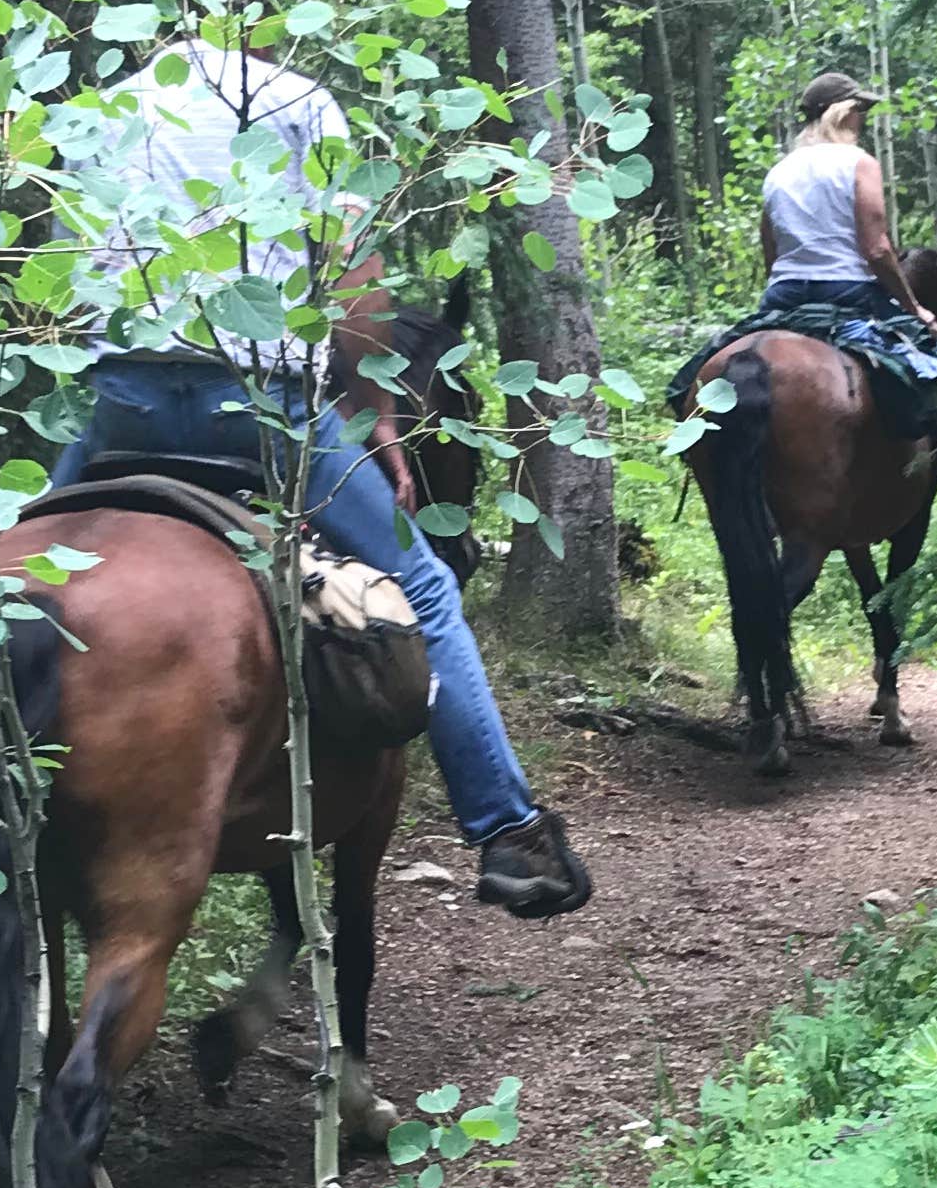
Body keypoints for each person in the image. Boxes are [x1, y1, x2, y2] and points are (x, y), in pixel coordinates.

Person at [47, 49, 593, 921]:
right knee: (426, 585)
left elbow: (65, 273)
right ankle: (508, 831)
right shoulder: (300, 100)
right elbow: (353, 282)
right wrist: (374, 412)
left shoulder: (103, 109)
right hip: (261, 414)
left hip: (123, 408)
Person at [757, 70, 937, 530]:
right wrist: (915, 309)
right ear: (843, 112)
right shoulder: (857, 162)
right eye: (861, 111)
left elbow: (772, 254)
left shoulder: (778, 173)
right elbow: (877, 250)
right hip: (847, 292)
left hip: (782, 298)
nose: (863, 120)